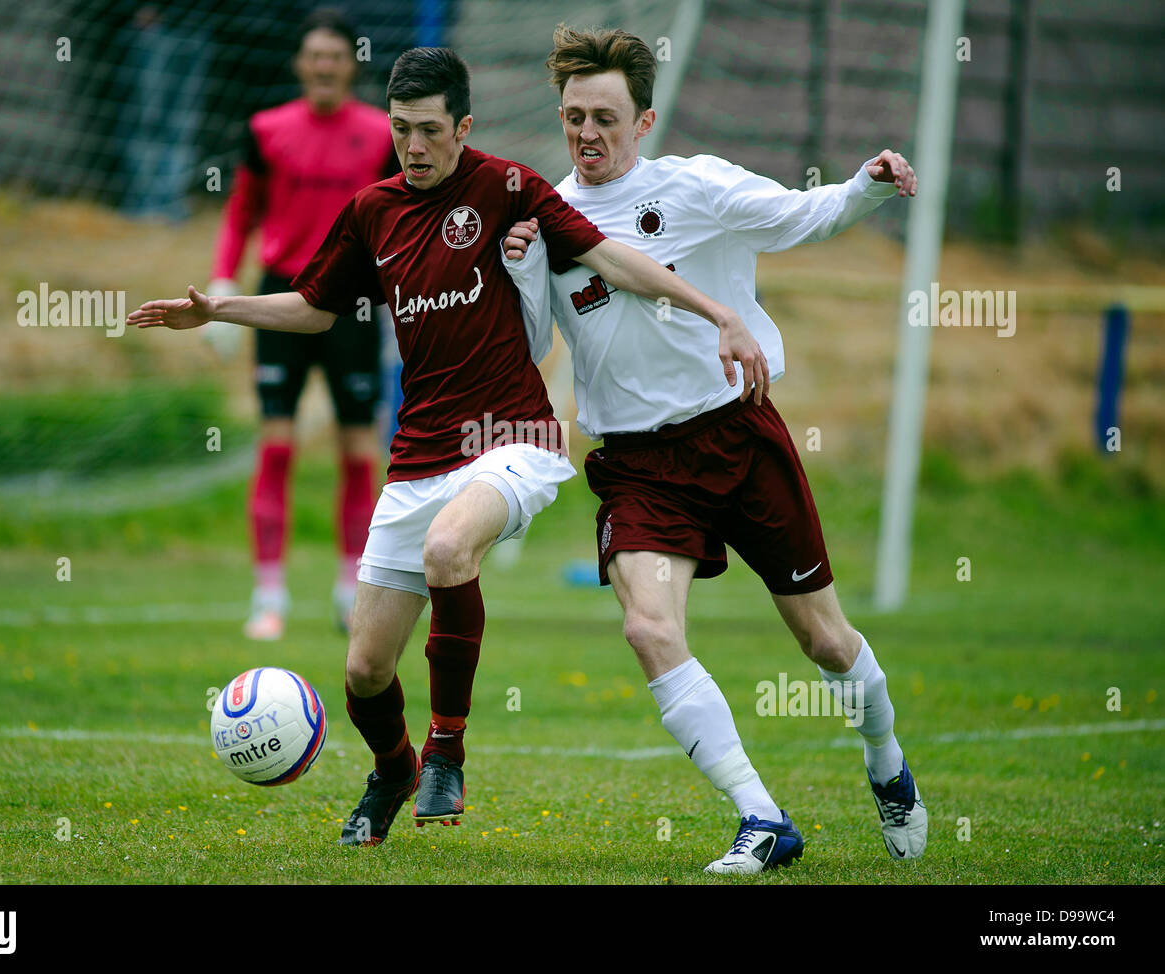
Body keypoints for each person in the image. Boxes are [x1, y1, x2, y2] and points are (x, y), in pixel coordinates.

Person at [128, 46, 766, 847]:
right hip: (419, 454)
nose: (415, 148)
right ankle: (394, 769)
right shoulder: (373, 211)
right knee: (364, 673)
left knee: (447, 548)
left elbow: (612, 258)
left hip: (516, 440)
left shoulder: (507, 188)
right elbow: (316, 307)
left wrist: (715, 311)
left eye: (430, 131)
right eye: (401, 132)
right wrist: (218, 313)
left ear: (463, 127)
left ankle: (446, 751)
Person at [500, 24, 926, 875]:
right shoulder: (546, 217)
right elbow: (537, 341)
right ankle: (762, 820)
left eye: (606, 119)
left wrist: (867, 186)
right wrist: (519, 272)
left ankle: (887, 764)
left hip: (736, 436)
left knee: (827, 644)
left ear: (645, 122)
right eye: (573, 116)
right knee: (649, 628)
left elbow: (800, 217)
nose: (587, 134)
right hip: (636, 464)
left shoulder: (695, 187)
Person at [206, 9, 398, 639]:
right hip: (281, 299)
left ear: (351, 65)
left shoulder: (378, 135)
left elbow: (395, 222)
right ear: (299, 64)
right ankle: (269, 598)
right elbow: (241, 213)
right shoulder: (266, 130)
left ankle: (352, 591)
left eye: (335, 56)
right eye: (313, 55)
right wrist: (224, 283)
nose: (323, 66)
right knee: (278, 443)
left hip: (353, 304)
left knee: (357, 449)